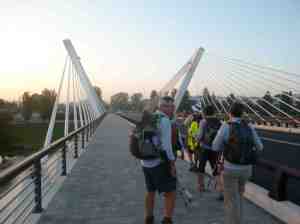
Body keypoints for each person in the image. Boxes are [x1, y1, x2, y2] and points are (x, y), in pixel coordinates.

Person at [212, 102, 263, 224]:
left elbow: (215, 146)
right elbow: (260, 147)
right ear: (242, 113)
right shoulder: (249, 126)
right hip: (246, 169)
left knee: (230, 200)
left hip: (230, 168)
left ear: (229, 113)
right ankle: (239, 220)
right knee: (239, 196)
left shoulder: (226, 126)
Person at [141, 96, 177, 224]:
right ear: (164, 107)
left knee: (150, 191)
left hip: (145, 161)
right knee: (170, 192)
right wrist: (172, 164)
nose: (173, 109)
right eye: (171, 106)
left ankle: (148, 218)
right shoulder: (165, 120)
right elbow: (167, 146)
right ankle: (167, 220)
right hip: (160, 162)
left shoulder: (149, 117)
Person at [196, 105, 221, 192]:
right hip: (215, 149)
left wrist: (196, 137)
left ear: (205, 112)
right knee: (215, 169)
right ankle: (220, 190)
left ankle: (201, 186)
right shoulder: (219, 122)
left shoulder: (203, 121)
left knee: (201, 167)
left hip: (204, 148)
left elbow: (199, 136)